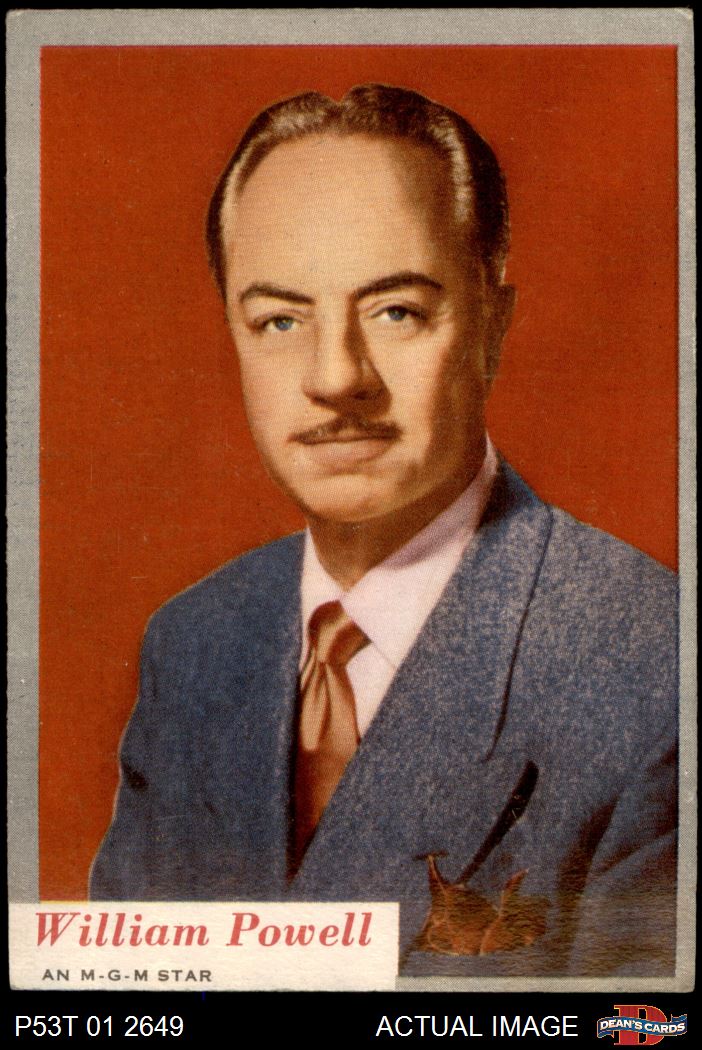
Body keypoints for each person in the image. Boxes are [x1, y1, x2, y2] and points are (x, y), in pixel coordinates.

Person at [91, 85, 677, 977]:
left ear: (493, 326)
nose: (335, 377)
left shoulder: (658, 669)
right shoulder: (196, 641)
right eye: (280, 320)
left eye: (395, 310)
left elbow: (644, 1028)